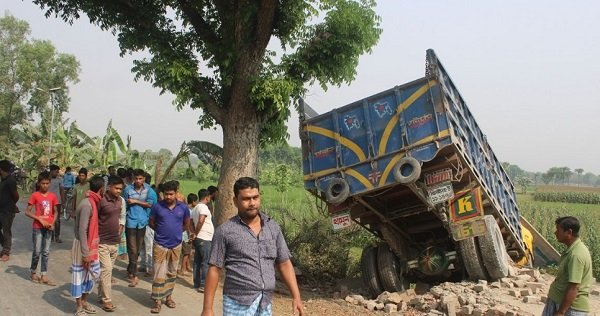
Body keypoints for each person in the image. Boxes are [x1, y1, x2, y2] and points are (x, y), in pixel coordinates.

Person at [201, 177, 304, 316]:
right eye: (246, 199)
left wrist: (296, 296)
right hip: (237, 303)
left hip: (265, 303)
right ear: (235, 201)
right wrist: (207, 309)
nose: (252, 203)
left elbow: (284, 263)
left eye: (255, 197)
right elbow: (214, 269)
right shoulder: (225, 231)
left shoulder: (272, 227)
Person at [148, 180, 191, 314]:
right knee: (158, 273)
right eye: (166, 194)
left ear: (176, 194)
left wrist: (176, 234)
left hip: (176, 245)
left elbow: (186, 224)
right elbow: (151, 223)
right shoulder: (157, 206)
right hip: (159, 245)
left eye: (171, 194)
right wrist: (161, 233)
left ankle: (169, 297)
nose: (168, 197)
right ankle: (157, 301)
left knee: (172, 273)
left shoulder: (183, 208)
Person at [543, 216, 593, 316]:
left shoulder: (576, 255)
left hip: (570, 309)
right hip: (560, 302)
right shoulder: (572, 250)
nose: (555, 233)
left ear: (569, 232)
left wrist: (561, 312)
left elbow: (574, 287)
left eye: (558, 230)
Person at [71, 175, 104, 316]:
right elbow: (82, 230)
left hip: (91, 246)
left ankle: (84, 301)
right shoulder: (86, 204)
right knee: (79, 275)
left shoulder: (93, 202)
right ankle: (78, 306)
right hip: (82, 246)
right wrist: (85, 253)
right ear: (101, 189)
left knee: (92, 274)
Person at [123, 168, 157, 287]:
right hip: (130, 222)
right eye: (136, 178)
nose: (138, 181)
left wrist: (136, 201)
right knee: (132, 248)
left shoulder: (149, 190)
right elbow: (124, 205)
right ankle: (135, 274)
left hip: (142, 222)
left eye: (140, 178)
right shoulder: (128, 189)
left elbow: (150, 204)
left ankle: (130, 269)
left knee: (137, 249)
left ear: (143, 179)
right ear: (133, 178)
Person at [96, 176, 126, 312]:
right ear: (109, 187)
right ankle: (106, 300)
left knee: (106, 271)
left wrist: (120, 230)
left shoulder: (121, 201)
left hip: (115, 242)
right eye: (116, 188)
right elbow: (94, 218)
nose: (119, 191)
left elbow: (122, 217)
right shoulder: (101, 200)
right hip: (102, 241)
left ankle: (100, 295)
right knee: (107, 270)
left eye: (121, 189)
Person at [25, 172, 59, 286]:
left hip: (48, 228)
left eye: (47, 183)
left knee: (46, 252)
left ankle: (44, 274)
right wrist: (39, 219)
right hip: (38, 227)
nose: (45, 185)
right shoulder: (35, 195)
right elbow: (27, 211)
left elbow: (56, 212)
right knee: (37, 251)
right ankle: (33, 271)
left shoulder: (53, 196)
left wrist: (52, 223)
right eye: (43, 183)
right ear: (39, 183)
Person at [191, 189, 213, 292]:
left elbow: (190, 222)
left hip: (198, 237)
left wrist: (193, 233)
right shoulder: (204, 207)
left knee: (197, 261)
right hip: (205, 237)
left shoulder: (195, 207)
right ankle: (204, 284)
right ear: (207, 197)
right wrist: (195, 233)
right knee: (205, 261)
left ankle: (196, 282)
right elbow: (201, 220)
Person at [0, 160, 19, 262]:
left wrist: (12, 204)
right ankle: (4, 248)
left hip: (7, 211)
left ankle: (6, 252)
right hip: (1, 210)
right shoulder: (3, 180)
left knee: (6, 231)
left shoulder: (10, 180)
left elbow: (16, 196)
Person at [49, 164, 64, 243]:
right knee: (49, 219)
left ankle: (57, 236)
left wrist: (63, 201)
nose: (57, 173)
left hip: (57, 202)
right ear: (51, 171)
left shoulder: (60, 180)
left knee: (57, 220)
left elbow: (62, 191)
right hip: (48, 202)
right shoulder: (47, 180)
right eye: (55, 172)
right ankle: (50, 236)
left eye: (58, 172)